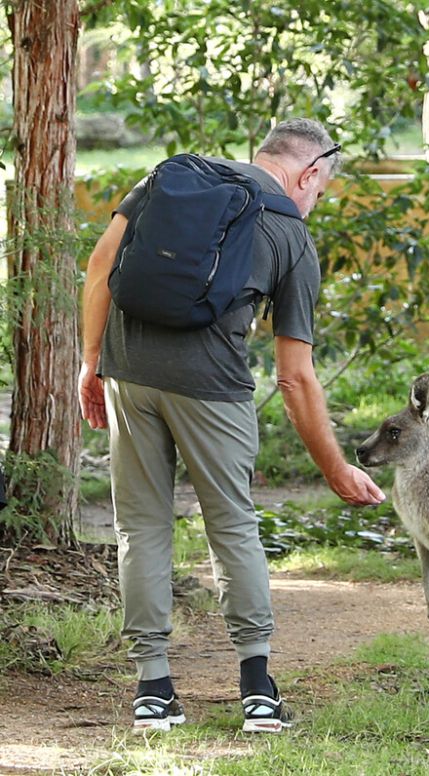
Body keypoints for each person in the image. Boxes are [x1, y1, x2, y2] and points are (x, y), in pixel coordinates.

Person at [78, 118, 386, 733]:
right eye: (321, 192)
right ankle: (257, 690)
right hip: (213, 390)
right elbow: (295, 378)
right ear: (309, 173)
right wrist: (335, 469)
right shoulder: (290, 234)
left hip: (129, 373)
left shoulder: (169, 180)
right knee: (232, 527)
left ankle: (153, 690)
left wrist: (92, 363)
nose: (315, 203)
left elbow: (100, 266)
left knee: (140, 527)